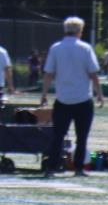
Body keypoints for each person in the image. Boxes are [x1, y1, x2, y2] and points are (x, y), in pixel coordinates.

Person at [40, 16, 104, 175]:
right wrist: (99, 94)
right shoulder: (85, 48)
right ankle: (79, 168)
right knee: (82, 137)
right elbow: (93, 74)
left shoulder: (56, 48)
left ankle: (52, 167)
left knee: (58, 136)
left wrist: (44, 93)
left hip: (62, 99)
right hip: (83, 99)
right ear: (79, 31)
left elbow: (48, 73)